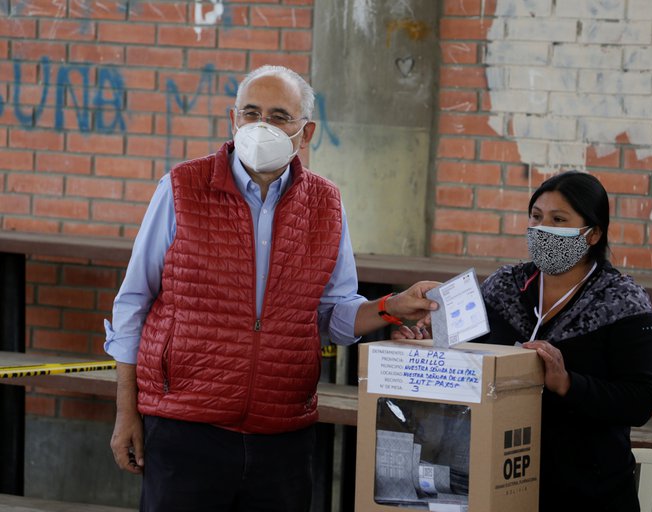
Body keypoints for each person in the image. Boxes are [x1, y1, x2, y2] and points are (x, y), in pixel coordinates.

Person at [104, 65, 438, 512]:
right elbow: (133, 303)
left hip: (281, 433)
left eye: (280, 116)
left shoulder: (326, 203)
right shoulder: (182, 187)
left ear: (306, 132)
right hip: (185, 425)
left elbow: (333, 314)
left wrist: (393, 306)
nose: (262, 125)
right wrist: (127, 409)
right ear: (233, 119)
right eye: (251, 112)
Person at [396, 171, 652, 511]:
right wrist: (426, 342)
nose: (543, 228)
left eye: (559, 219)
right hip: (497, 482)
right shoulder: (502, 287)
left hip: (586, 492)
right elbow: (464, 359)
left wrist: (568, 384)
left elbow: (640, 401)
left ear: (593, 233)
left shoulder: (624, 304)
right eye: (536, 217)